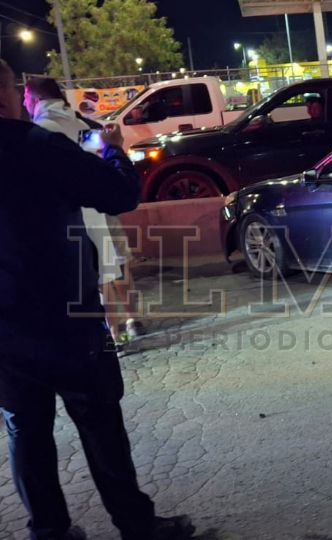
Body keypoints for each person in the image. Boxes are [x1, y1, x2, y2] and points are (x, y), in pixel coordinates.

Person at [0, 60, 194, 540]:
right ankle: (136, 524)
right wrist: (113, 151)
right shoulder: (37, 147)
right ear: (6, 90)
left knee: (25, 427)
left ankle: (48, 530)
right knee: (100, 420)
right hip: (66, 313)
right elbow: (118, 194)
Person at [23, 76, 146, 345]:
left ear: (35, 99)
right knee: (107, 277)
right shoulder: (81, 125)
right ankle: (120, 334)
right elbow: (99, 163)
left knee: (89, 283)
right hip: (96, 211)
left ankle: (108, 338)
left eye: (25, 99)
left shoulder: (40, 131)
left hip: (68, 218)